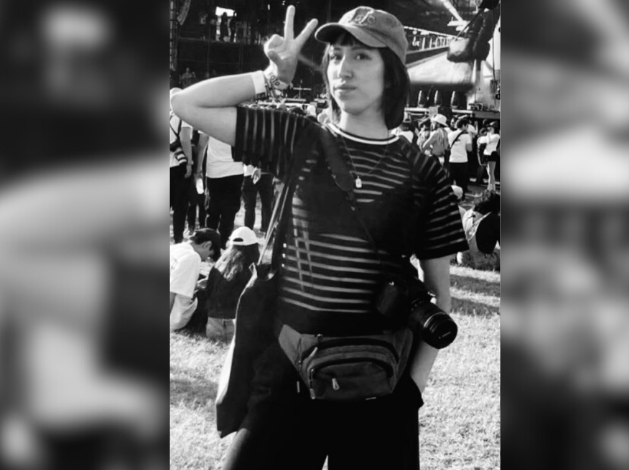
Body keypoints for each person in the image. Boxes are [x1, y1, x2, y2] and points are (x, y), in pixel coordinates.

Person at [172, 6, 467, 469]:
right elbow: (186, 104)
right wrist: (271, 76)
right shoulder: (298, 139)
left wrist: (410, 392)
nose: (342, 68)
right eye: (335, 55)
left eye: (362, 56)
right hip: (288, 376)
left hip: (379, 386)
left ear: (392, 73)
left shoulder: (424, 173)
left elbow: (440, 298)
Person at [179, 227, 261, 341]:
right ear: (254, 247)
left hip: (212, 327)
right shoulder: (253, 270)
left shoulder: (218, 265)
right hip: (237, 328)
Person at [170, 229, 221, 331]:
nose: (205, 260)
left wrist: (196, 285)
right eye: (209, 255)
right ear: (207, 245)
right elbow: (171, 291)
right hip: (174, 317)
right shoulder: (193, 257)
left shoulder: (174, 248)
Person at [205, 136, 244, 249]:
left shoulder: (210, 123)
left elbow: (202, 143)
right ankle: (223, 244)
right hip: (235, 169)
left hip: (214, 170)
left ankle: (210, 245)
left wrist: (198, 168)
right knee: (229, 212)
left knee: (212, 212)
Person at [170, 88, 194, 244]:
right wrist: (189, 162)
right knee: (180, 206)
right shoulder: (183, 117)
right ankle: (178, 239)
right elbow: (185, 140)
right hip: (178, 167)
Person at [241, 164, 273, 234]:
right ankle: (266, 230)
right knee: (266, 205)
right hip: (265, 172)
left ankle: (248, 231)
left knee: (250, 206)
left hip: (250, 172)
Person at [448, 117, 472, 194]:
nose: (467, 127)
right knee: (461, 181)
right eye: (467, 125)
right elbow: (469, 149)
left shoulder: (450, 134)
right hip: (463, 160)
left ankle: (449, 195)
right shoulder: (467, 136)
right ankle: (461, 196)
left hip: (452, 160)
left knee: (450, 180)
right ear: (463, 125)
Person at [482, 124, 500, 191]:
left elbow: (488, 141)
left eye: (491, 127)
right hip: (486, 154)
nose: (489, 129)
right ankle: (492, 189)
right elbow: (480, 141)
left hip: (492, 154)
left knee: (491, 172)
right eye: (488, 127)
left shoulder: (496, 136)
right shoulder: (488, 135)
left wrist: (488, 134)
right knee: (489, 173)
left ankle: (490, 189)